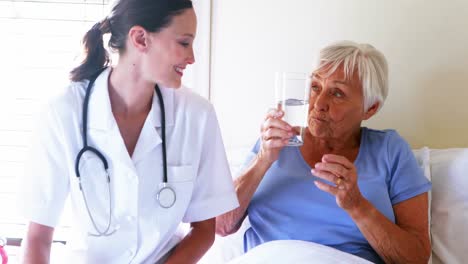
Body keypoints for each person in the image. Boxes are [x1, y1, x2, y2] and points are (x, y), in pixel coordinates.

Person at [21, 0, 238, 263]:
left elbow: (204, 230)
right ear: (140, 39)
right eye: (184, 42)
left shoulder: (197, 116)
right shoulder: (63, 112)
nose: (192, 57)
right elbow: (38, 236)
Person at [216, 41, 432, 264]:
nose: (319, 103)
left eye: (337, 93)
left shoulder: (389, 150)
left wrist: (357, 205)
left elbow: (416, 258)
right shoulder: (275, 142)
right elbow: (220, 225)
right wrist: (263, 159)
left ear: (370, 108)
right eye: (315, 86)